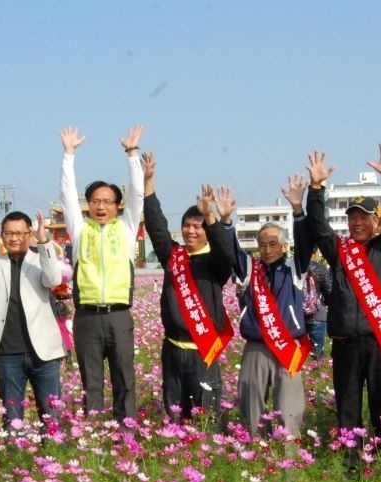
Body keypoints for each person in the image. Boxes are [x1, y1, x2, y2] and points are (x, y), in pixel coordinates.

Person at [306, 143, 381, 452]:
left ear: (376, 222)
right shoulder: (339, 252)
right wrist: (316, 188)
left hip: (378, 342)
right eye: (353, 217)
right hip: (346, 343)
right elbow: (318, 227)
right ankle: (350, 459)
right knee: (347, 407)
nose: (358, 222)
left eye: (364, 217)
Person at [58, 124, 145, 422]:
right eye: (95, 201)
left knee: (125, 381)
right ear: (88, 205)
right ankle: (94, 438)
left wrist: (132, 154)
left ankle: (127, 435)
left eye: (108, 201)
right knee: (91, 383)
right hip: (86, 318)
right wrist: (68, 155)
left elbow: (138, 195)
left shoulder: (127, 227)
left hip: (119, 316)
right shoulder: (80, 231)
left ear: (118, 206)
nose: (101, 206)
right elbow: (67, 195)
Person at [141, 152, 236, 426]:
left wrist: (211, 215)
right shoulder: (174, 256)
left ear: (207, 230)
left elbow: (226, 252)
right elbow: (157, 227)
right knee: (174, 414)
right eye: (186, 225)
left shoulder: (216, 261)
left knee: (206, 417)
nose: (191, 231)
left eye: (198, 226)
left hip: (202, 350)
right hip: (172, 350)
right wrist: (149, 183)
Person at [0, 206, 65, 429]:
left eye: (19, 233)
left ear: (30, 234)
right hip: (8, 352)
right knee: (11, 417)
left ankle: (54, 456)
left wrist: (44, 242)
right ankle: (15, 458)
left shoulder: (40, 261)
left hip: (44, 353)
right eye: (8, 233)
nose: (14, 239)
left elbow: (53, 279)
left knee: (50, 415)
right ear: (2, 236)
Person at [234, 175, 313, 439]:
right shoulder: (249, 269)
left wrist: (298, 209)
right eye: (262, 244)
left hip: (287, 344)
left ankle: (288, 460)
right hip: (256, 345)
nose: (267, 250)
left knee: (288, 407)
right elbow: (228, 248)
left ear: (284, 245)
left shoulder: (295, 268)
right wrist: (222, 222)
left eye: (273, 244)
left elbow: (306, 241)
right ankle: (256, 453)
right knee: (251, 400)